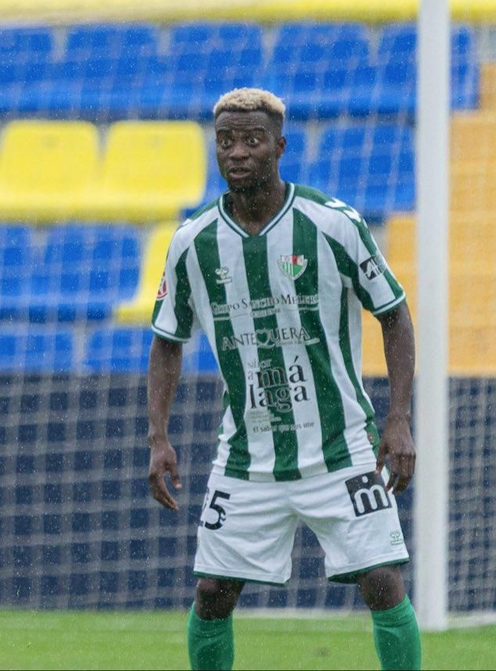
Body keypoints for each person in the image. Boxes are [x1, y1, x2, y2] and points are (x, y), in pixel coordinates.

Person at [146, 88, 421, 671]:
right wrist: (157, 436)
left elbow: (393, 314)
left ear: (279, 146)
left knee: (382, 581)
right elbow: (168, 341)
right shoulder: (192, 242)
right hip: (249, 453)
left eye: (252, 139)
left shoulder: (333, 224)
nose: (238, 152)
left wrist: (397, 417)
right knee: (212, 594)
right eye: (226, 141)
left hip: (341, 445)